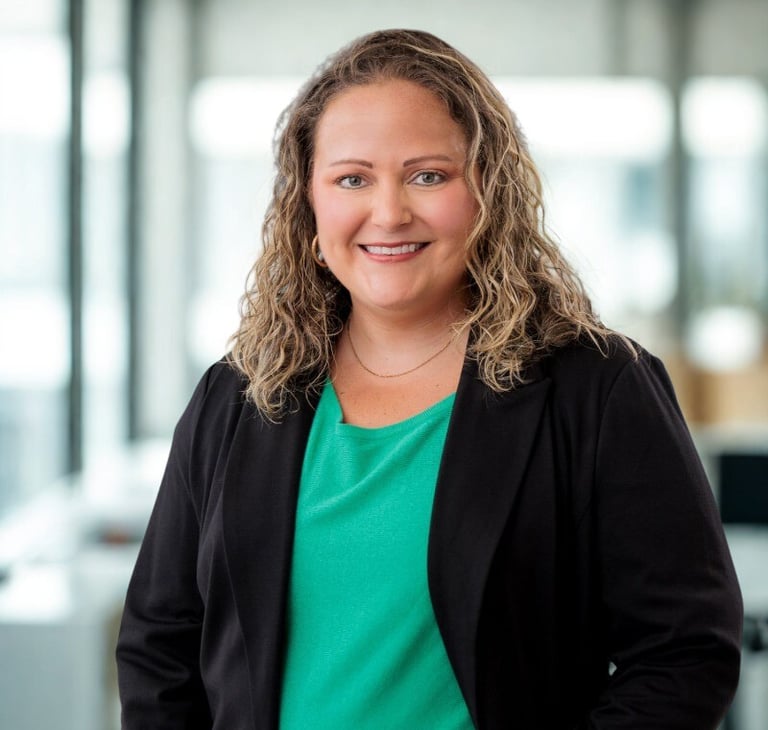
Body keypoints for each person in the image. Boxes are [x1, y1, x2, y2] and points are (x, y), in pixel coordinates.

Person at [116, 28, 742, 730]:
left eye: (428, 175)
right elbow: (158, 650)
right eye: (352, 178)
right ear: (309, 206)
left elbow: (686, 652)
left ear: (487, 192)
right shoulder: (236, 396)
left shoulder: (596, 389)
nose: (388, 212)